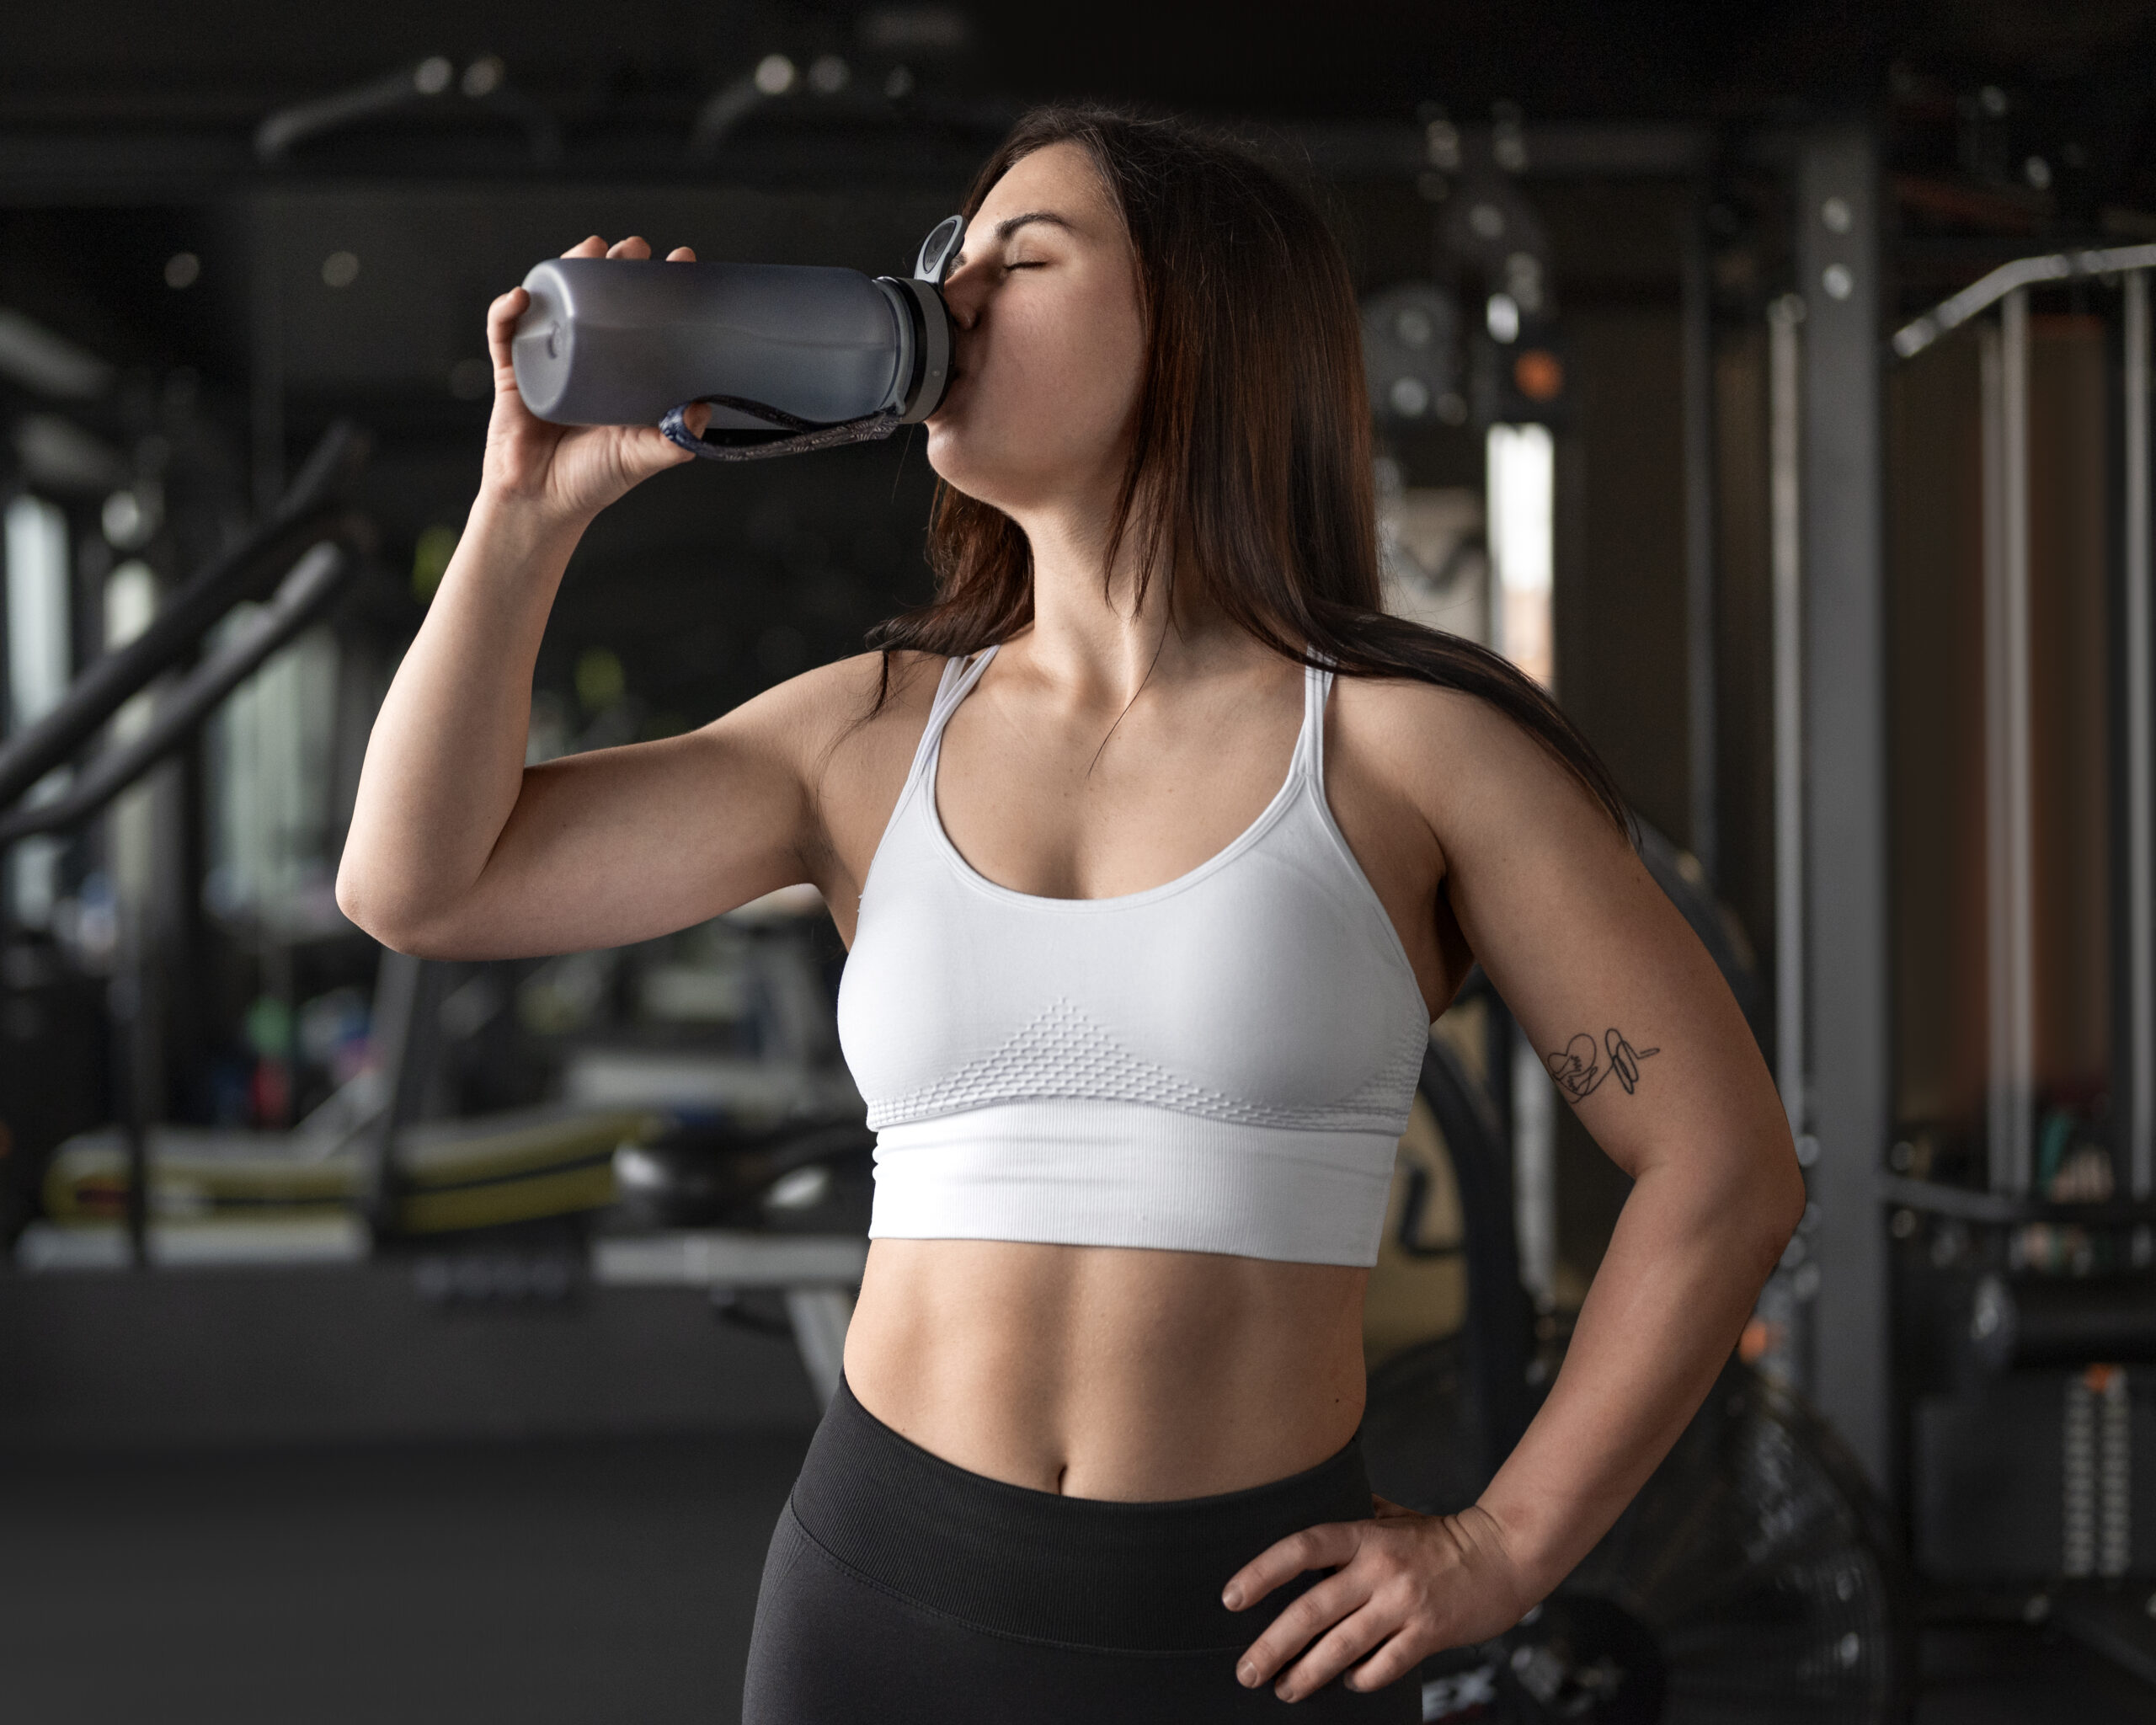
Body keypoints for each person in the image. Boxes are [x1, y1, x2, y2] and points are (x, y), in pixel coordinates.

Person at [338, 106, 1804, 1722]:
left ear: (1202, 323)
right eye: (947, 257)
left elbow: (1723, 1167)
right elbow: (421, 884)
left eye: (1020, 259)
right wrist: (523, 516)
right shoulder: (864, 734)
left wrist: (1505, 1547)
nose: (950, 296)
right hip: (875, 1597)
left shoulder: (1413, 750)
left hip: (1250, 1632)